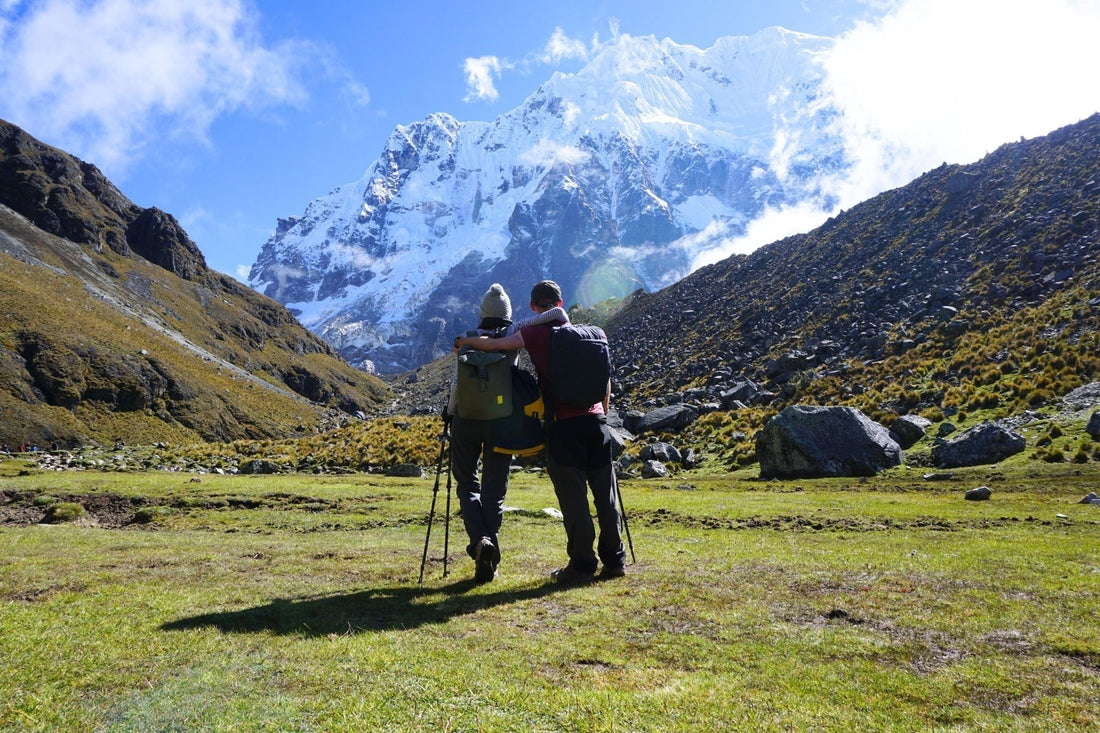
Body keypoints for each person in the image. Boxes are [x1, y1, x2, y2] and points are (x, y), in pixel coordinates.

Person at [455, 280, 626, 584]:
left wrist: (464, 343)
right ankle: (615, 561)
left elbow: (494, 346)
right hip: (597, 423)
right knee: (606, 495)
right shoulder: (596, 334)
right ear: (560, 304)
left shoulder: (535, 333)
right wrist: (603, 411)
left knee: (575, 501)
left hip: (563, 425)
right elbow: (606, 381)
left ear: (534, 307)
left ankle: (583, 565)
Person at [446, 283, 518, 583]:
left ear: (482, 313)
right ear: (507, 314)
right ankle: (490, 553)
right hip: (502, 420)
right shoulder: (513, 342)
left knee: (466, 481)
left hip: (467, 418)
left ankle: (480, 542)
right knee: (495, 487)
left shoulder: (467, 340)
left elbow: (456, 384)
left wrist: (450, 413)